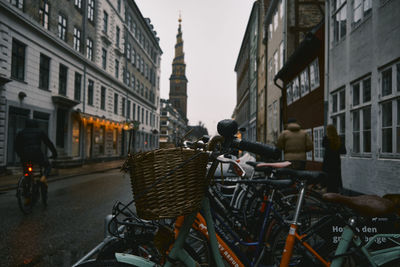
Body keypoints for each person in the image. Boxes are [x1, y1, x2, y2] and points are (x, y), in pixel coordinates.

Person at [15, 119, 57, 203]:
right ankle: (43, 178)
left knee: (27, 174)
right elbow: (48, 143)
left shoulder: (21, 132)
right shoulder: (40, 131)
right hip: (37, 154)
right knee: (48, 165)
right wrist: (54, 153)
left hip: (25, 156)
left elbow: (16, 146)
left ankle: (27, 198)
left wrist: (20, 155)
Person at [322, 124, 346, 193]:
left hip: (327, 161)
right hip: (336, 161)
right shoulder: (339, 138)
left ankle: (329, 194)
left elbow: (323, 145)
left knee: (328, 178)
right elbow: (343, 151)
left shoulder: (326, 138)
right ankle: (335, 193)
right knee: (336, 177)